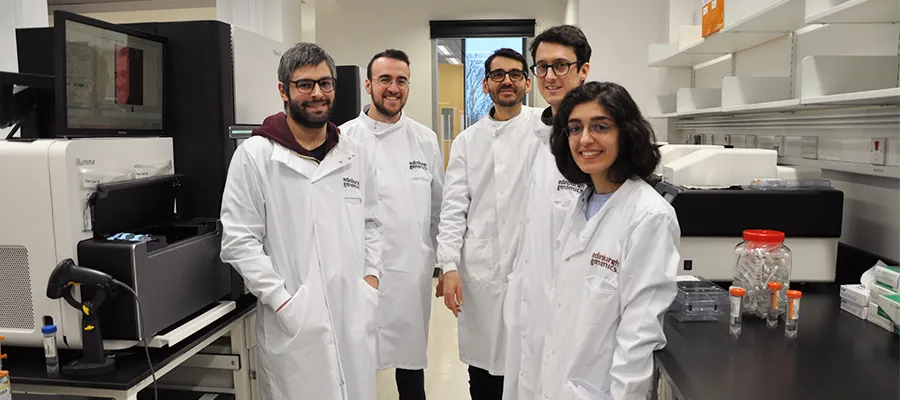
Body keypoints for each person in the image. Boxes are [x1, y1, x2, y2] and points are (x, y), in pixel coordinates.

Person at [219, 42, 384, 400]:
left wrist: (370, 281)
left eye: (325, 83)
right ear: (283, 90)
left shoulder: (355, 154)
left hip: (352, 310)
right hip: (293, 321)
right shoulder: (256, 156)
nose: (317, 94)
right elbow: (238, 241)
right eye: (305, 84)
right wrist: (282, 301)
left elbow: (372, 222)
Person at [536, 81, 680, 400]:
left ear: (625, 133)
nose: (585, 139)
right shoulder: (582, 203)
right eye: (575, 128)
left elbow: (639, 334)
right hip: (559, 384)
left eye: (600, 126)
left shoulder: (649, 216)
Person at [436, 47, 541, 400]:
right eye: (498, 75)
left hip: (534, 267)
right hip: (481, 271)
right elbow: (453, 207)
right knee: (483, 372)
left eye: (515, 74)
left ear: (528, 83)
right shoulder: (468, 141)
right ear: (485, 85)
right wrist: (448, 265)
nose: (506, 81)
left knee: (530, 366)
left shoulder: (547, 130)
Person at [340, 49, 444, 400]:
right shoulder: (341, 139)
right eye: (385, 79)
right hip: (356, 273)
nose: (393, 88)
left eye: (401, 80)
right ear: (368, 84)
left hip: (410, 273)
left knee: (411, 368)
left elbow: (438, 209)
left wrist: (445, 263)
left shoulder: (425, 140)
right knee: (354, 366)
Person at [501, 24, 592, 400]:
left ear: (583, 69)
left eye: (561, 66)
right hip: (530, 300)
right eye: (541, 67)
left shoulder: (592, 142)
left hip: (573, 310)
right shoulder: (539, 136)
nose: (550, 76)